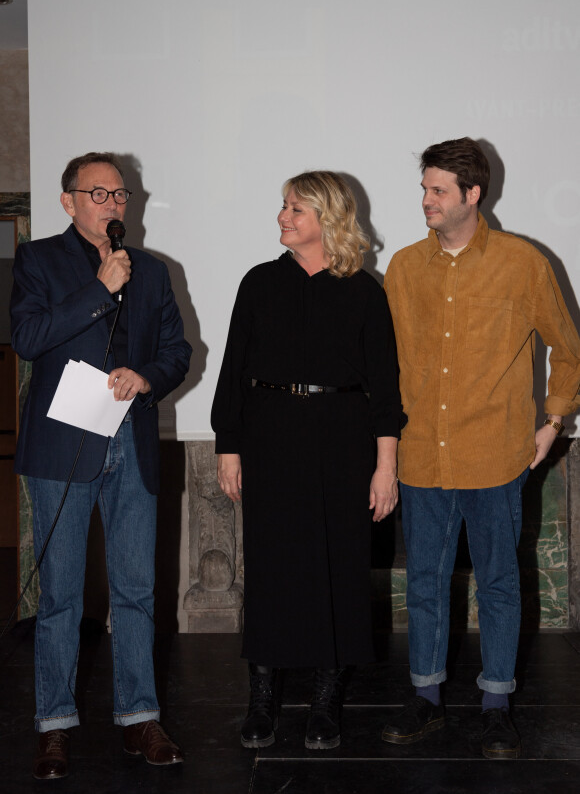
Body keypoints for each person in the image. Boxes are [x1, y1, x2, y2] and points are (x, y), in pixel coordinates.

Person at [382, 137, 580, 759]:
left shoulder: (523, 263)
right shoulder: (405, 268)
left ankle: (496, 704)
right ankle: (426, 698)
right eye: (424, 189)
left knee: (497, 582)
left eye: (439, 190)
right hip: (421, 455)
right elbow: (383, 361)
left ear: (473, 194)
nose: (427, 201)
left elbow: (567, 349)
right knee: (425, 584)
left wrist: (552, 423)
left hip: (495, 455)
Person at [10, 152, 192, 780]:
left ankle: (140, 716)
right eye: (99, 193)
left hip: (131, 445)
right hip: (62, 448)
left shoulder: (155, 272)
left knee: (136, 591)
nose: (114, 204)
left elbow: (177, 350)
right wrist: (99, 291)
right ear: (68, 202)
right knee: (61, 595)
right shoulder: (37, 261)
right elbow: (29, 339)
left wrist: (148, 377)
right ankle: (54, 727)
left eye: (120, 194)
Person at [211, 170, 405, 750]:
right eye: (284, 207)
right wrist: (228, 444)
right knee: (273, 571)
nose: (282, 216)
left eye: (295, 208)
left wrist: (385, 466)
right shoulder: (258, 283)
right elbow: (231, 373)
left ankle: (325, 704)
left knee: (339, 572)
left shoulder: (367, 292)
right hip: (270, 438)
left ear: (327, 217)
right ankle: (263, 701)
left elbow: (387, 391)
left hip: (343, 443)